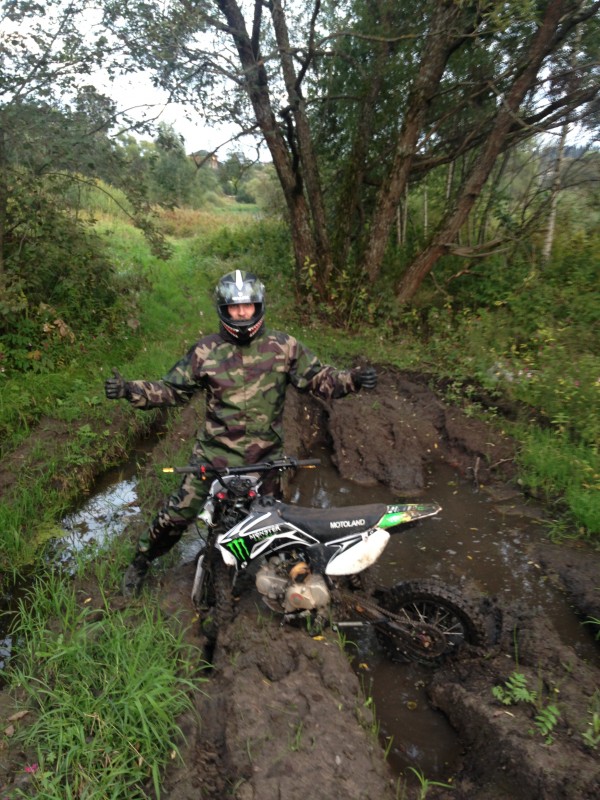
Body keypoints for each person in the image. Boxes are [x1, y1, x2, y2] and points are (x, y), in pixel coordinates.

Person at [105, 269, 377, 596]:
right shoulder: (205, 351)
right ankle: (141, 561)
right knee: (177, 515)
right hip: (214, 456)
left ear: (258, 306)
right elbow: (172, 390)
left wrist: (353, 380)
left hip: (266, 459)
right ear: (224, 310)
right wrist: (129, 389)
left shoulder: (284, 346)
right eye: (235, 308)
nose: (242, 313)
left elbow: (319, 379)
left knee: (277, 525)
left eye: (248, 306)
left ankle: (279, 579)